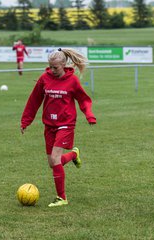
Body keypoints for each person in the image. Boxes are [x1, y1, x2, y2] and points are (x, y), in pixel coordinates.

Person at [20, 48, 96, 207]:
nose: (52, 70)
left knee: (55, 160)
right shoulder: (44, 78)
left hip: (66, 124)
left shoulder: (72, 80)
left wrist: (89, 115)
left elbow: (84, 100)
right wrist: (25, 121)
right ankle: (74, 155)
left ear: (64, 64)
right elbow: (34, 101)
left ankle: (62, 198)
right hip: (49, 125)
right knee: (52, 162)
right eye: (50, 66)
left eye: (56, 67)